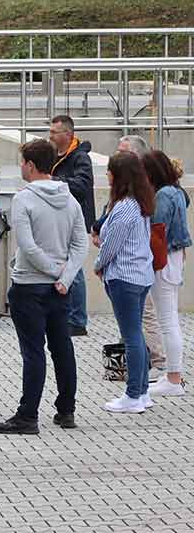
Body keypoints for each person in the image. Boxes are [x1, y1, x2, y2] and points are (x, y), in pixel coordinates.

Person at [0, 139, 88, 434]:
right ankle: (66, 410)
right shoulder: (69, 199)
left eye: (22, 162)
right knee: (62, 348)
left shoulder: (24, 199)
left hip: (29, 287)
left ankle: (28, 416)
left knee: (33, 352)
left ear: (31, 166)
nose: (20, 167)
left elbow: (27, 245)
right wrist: (65, 277)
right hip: (59, 289)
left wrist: (52, 271)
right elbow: (80, 243)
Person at [93, 151, 156, 413]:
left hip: (124, 277)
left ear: (119, 176)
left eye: (110, 171)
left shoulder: (124, 207)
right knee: (136, 335)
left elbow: (111, 246)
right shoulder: (141, 204)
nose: (107, 175)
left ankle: (133, 395)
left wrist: (98, 265)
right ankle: (141, 392)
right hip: (141, 276)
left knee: (131, 336)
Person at [106, 135, 165, 377]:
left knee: (143, 319)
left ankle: (155, 364)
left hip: (135, 266)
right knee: (132, 325)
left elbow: (120, 236)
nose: (118, 155)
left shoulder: (140, 192)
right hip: (136, 266)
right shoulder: (130, 190)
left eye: (124, 152)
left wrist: (101, 262)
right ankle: (139, 370)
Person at [143, 150, 189, 399]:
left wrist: (152, 264)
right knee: (168, 318)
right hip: (174, 256)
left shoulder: (163, 195)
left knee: (167, 320)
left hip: (165, 259)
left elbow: (157, 233)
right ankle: (173, 375)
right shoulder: (176, 191)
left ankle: (173, 377)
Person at [48, 114, 96, 336]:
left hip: (76, 221)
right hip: (58, 220)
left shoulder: (80, 158)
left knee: (73, 270)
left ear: (68, 134)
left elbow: (82, 186)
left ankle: (77, 320)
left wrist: (55, 183)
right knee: (64, 268)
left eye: (54, 132)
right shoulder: (55, 156)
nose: (50, 136)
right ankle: (67, 315)